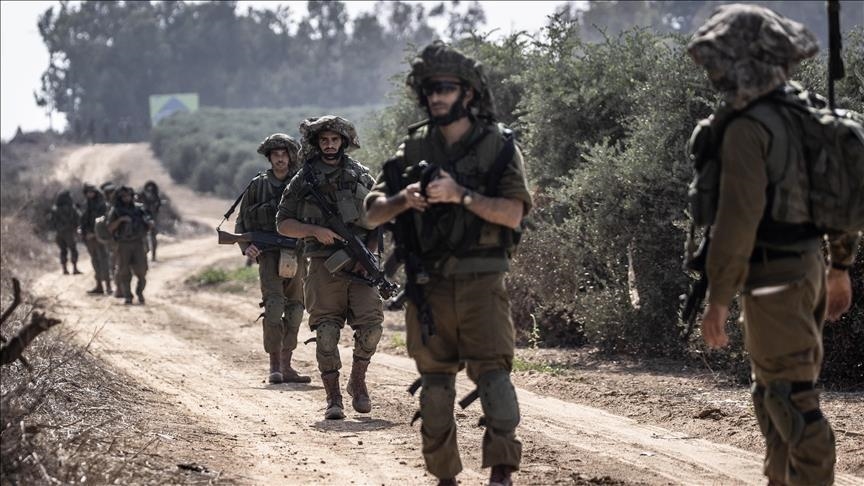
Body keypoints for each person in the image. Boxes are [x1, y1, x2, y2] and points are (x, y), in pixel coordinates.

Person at [687, 5, 861, 485]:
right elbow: (837, 194)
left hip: (773, 279)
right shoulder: (802, 111)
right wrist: (839, 268)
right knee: (775, 393)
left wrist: (718, 299)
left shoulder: (748, 127)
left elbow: (737, 221)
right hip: (806, 270)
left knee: (788, 397)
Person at [364, 41, 532, 486]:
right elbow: (371, 213)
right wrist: (404, 199)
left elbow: (514, 213)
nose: (436, 96)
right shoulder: (413, 145)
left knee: (494, 379)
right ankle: (444, 477)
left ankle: (501, 472)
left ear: (468, 93)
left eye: (446, 88)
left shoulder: (497, 146)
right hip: (429, 286)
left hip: (482, 281)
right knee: (435, 389)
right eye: (430, 89)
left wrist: (462, 196)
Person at [276, 116, 384, 420]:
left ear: (344, 142)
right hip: (323, 265)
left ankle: (357, 381)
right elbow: (283, 223)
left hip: (360, 265)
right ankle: (333, 398)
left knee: (372, 329)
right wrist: (315, 231)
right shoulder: (304, 179)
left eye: (335, 140)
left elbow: (379, 219)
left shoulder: (360, 175)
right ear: (317, 143)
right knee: (326, 333)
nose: (330, 145)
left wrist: (368, 256)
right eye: (324, 140)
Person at [235, 133, 311, 384]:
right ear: (269, 158)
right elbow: (241, 221)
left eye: (284, 154)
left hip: (296, 254)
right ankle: (275, 367)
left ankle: (287, 366)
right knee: (274, 308)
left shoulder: (301, 183)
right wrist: (246, 247)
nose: (280, 159)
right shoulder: (258, 185)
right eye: (275, 155)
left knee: (296, 310)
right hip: (268, 255)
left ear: (291, 157)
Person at [106, 186, 153, 305]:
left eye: (128, 195)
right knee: (124, 272)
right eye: (124, 196)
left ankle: (140, 292)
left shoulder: (139, 209)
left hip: (138, 243)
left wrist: (149, 223)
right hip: (123, 244)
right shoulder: (116, 211)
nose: (126, 198)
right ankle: (128, 296)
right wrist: (121, 220)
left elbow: (149, 222)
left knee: (142, 271)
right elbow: (110, 228)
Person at [79, 183, 112, 295]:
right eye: (88, 192)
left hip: (100, 238)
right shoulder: (87, 205)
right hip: (90, 239)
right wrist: (84, 232)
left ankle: (108, 286)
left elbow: (104, 222)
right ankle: (99, 286)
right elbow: (83, 221)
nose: (90, 194)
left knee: (104, 261)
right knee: (95, 261)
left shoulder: (102, 205)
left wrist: (94, 233)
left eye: (91, 192)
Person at [48, 190, 82, 275]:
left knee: (63, 250)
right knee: (73, 249)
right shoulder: (72, 208)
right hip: (69, 232)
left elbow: (51, 222)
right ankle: (74, 268)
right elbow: (78, 219)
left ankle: (64, 269)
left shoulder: (55, 209)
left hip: (58, 233)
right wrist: (77, 229)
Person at [100, 181, 124, 298]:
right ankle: (117, 287)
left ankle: (120, 287)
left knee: (122, 264)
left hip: (123, 239)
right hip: (112, 239)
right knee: (114, 264)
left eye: (112, 193)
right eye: (109, 193)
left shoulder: (120, 206)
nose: (111, 195)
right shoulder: (105, 207)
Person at [140, 180, 163, 262]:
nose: (150, 192)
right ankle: (145, 254)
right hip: (143, 219)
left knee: (153, 238)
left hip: (153, 219)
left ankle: (153, 255)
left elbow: (157, 209)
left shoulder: (156, 198)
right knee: (143, 238)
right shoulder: (142, 196)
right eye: (148, 190)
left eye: (151, 190)